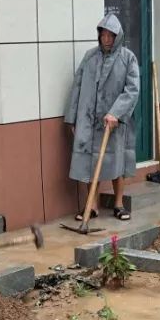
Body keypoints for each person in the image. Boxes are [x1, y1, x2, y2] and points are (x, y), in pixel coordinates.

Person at [64, 13, 140, 221]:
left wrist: (116, 113)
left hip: (113, 123)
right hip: (89, 120)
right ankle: (92, 206)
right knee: (90, 163)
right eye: (103, 35)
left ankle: (118, 204)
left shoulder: (127, 58)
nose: (106, 39)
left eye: (110, 36)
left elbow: (132, 90)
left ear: (118, 37)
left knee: (118, 162)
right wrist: (72, 118)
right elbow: (77, 86)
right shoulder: (90, 57)